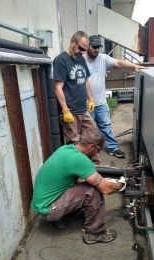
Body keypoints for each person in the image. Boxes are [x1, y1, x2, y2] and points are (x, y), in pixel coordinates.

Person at [31, 128, 126, 244]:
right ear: (91, 146)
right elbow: (106, 189)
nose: (98, 153)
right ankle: (95, 233)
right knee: (92, 191)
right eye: (98, 150)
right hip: (48, 208)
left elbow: (74, 178)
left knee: (84, 183)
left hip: (41, 202)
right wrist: (121, 184)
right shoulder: (80, 160)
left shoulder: (66, 149)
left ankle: (61, 216)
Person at [83, 35, 143, 158]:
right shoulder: (80, 60)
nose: (97, 50)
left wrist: (134, 66)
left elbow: (118, 63)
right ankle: (86, 153)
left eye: (98, 47)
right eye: (94, 47)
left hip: (100, 102)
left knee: (106, 127)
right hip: (85, 104)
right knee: (87, 130)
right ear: (88, 46)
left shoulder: (102, 58)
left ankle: (113, 148)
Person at [53, 31, 100, 164]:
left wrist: (90, 99)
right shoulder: (61, 61)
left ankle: (96, 167)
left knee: (93, 137)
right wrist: (65, 110)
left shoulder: (80, 59)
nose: (82, 52)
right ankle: (79, 170)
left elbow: (85, 81)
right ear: (73, 41)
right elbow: (58, 88)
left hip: (82, 109)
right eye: (80, 48)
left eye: (84, 50)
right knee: (75, 143)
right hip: (71, 112)